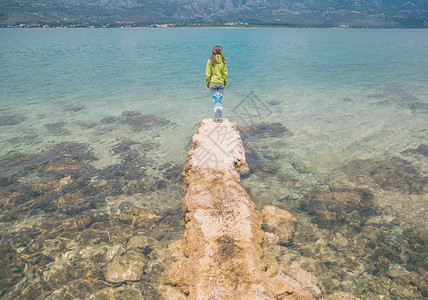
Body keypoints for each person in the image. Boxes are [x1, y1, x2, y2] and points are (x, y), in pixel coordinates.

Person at [206, 45, 228, 123]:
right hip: (221, 83)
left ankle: (216, 118)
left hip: (212, 83)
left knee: (215, 101)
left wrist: (207, 83)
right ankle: (221, 118)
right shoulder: (223, 61)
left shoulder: (210, 61)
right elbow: (225, 73)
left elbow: (208, 74)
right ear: (221, 52)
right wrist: (225, 82)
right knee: (220, 100)